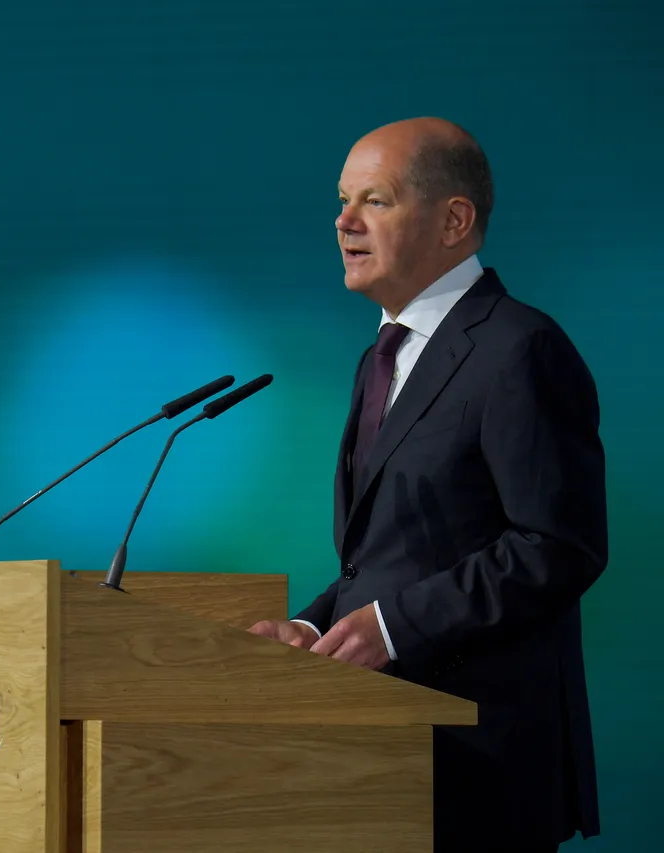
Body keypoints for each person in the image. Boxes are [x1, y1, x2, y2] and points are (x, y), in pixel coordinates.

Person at [249, 117, 607, 853]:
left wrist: (390, 630)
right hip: (385, 756)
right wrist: (315, 631)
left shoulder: (520, 348)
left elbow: (557, 545)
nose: (344, 221)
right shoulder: (378, 360)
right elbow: (388, 559)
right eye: (342, 201)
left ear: (454, 221)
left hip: (483, 757)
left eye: (374, 200)